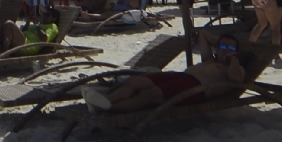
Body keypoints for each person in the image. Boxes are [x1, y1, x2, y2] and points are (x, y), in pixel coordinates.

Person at [81, 31, 246, 113]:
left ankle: (108, 108)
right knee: (135, 82)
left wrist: (234, 58)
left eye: (230, 48)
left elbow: (237, 79)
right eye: (223, 47)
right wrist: (220, 45)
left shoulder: (234, 67)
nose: (226, 50)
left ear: (236, 51)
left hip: (195, 88)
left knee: (149, 95)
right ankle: (105, 100)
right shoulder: (210, 59)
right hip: (180, 76)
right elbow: (203, 34)